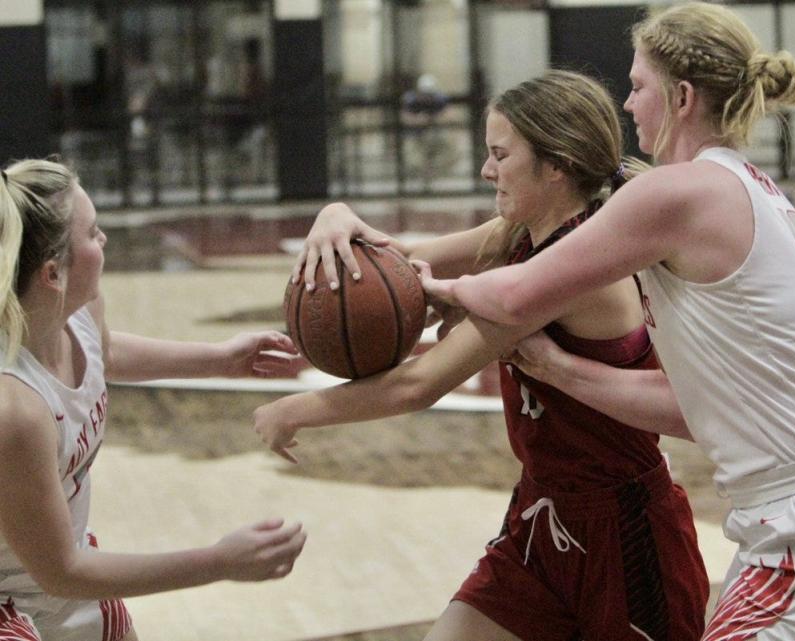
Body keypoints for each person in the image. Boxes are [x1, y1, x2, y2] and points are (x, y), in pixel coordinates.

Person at [420, 4, 795, 640]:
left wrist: (430, 290)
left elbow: (519, 292)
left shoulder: (678, 193)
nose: (628, 105)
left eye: (637, 86)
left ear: (682, 96)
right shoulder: (741, 187)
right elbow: (695, 407)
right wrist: (559, 368)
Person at [257, 70, 709, 641]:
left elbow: (415, 386)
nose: (486, 170)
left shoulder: (568, 269)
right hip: (542, 515)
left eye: (500, 154)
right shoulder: (520, 230)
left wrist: (293, 409)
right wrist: (336, 216)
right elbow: (401, 266)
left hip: (624, 535)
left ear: (555, 164)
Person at [0, 158, 307, 641]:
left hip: (65, 580)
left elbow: (107, 353)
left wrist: (220, 358)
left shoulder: (75, 310)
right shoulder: (15, 407)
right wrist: (220, 562)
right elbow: (60, 570)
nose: (104, 241)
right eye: (93, 232)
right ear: (53, 273)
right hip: (15, 601)